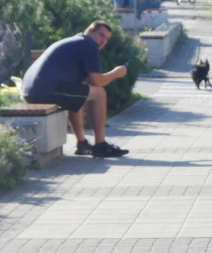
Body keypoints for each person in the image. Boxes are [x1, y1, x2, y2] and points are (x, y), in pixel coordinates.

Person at [21, 21, 132, 159]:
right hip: (46, 90)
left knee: (79, 93)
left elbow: (85, 84)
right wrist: (116, 73)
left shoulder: (77, 42)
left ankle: (82, 143)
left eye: (106, 39)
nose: (103, 41)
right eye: (101, 35)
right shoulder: (88, 45)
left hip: (32, 90)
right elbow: (97, 81)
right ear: (90, 31)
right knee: (99, 93)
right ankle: (101, 145)